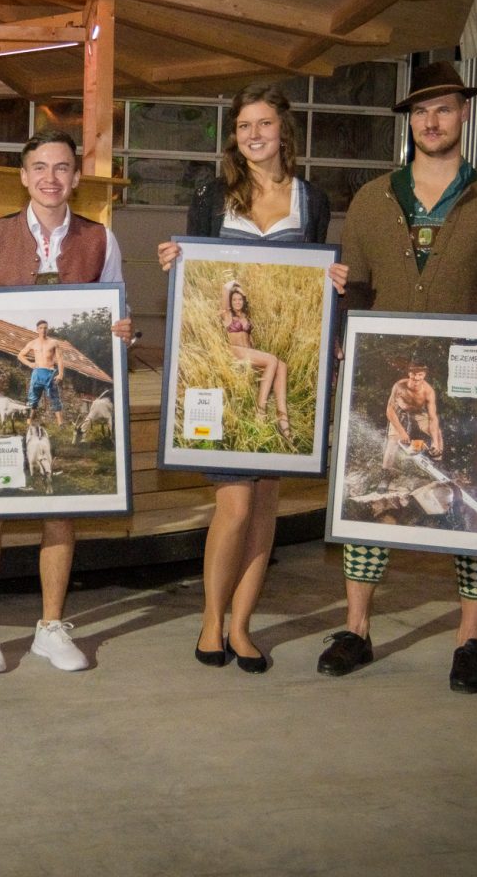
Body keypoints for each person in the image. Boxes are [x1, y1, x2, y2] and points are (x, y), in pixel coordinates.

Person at [321, 61, 477, 693]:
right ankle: (356, 629)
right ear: (409, 121)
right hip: (384, 368)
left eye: (443, 108)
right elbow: (356, 287)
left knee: (473, 501)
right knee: (371, 495)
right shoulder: (373, 199)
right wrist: (343, 336)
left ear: (464, 113)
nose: (431, 121)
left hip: (468, 375)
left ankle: (470, 641)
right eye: (420, 111)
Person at [0, 129, 132, 674]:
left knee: (61, 507)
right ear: (23, 176)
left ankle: (50, 626)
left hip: (50, 383)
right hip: (4, 388)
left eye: (62, 167)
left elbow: (119, 316)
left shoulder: (100, 239)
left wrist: (123, 331)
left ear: (76, 176)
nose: (51, 178)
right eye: (39, 167)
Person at [158, 84, 334, 674]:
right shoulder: (212, 196)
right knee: (234, 506)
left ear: (284, 131)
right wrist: (174, 264)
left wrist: (335, 286)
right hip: (220, 368)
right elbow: (195, 285)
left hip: (281, 352)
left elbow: (314, 282)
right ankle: (212, 619)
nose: (253, 135)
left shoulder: (312, 199)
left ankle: (242, 625)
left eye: (264, 124)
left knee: (264, 510)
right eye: (243, 127)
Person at [220, 279, 291, 442]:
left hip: (249, 354)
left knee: (281, 365)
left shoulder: (245, 317)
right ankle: (260, 410)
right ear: (230, 302)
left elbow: (250, 341)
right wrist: (236, 283)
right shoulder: (227, 315)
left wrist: (258, 358)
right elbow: (225, 288)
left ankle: (283, 417)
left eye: (240, 299)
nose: (237, 302)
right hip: (235, 352)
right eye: (234, 299)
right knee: (272, 360)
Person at [384, 361, 441, 470]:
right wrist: (402, 432)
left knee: (437, 433)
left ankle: (437, 464)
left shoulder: (428, 391)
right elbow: (389, 411)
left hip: (418, 412)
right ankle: (386, 472)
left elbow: (433, 418)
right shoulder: (399, 386)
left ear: (424, 375)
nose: (417, 378)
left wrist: (435, 442)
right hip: (399, 412)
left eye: (420, 374)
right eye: (414, 374)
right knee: (394, 440)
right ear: (409, 373)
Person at [18, 320, 65, 427]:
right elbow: (20, 355)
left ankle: (60, 424)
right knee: (33, 398)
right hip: (37, 373)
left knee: (54, 397)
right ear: (37, 330)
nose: (43, 330)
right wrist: (29, 364)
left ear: (48, 329)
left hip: (50, 373)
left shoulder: (54, 342)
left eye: (45, 328)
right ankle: (29, 422)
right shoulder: (32, 343)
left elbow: (60, 359)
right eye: (41, 328)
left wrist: (61, 374)